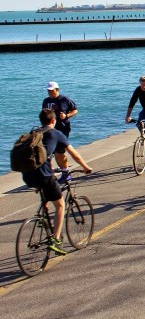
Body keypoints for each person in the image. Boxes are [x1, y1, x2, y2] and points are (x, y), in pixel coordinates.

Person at [22, 109, 92, 255]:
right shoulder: (56, 133)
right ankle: (56, 239)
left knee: (45, 190)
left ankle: (42, 218)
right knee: (60, 205)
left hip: (28, 175)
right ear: (53, 121)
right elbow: (75, 154)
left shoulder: (34, 134)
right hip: (44, 175)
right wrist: (86, 167)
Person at [42, 81, 78, 170]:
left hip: (63, 128)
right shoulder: (46, 101)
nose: (49, 92)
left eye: (51, 90)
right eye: (48, 90)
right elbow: (44, 114)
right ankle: (62, 168)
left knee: (59, 152)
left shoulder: (64, 100)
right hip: (50, 129)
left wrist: (66, 116)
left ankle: (66, 172)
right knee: (55, 152)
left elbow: (75, 110)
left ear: (57, 89)